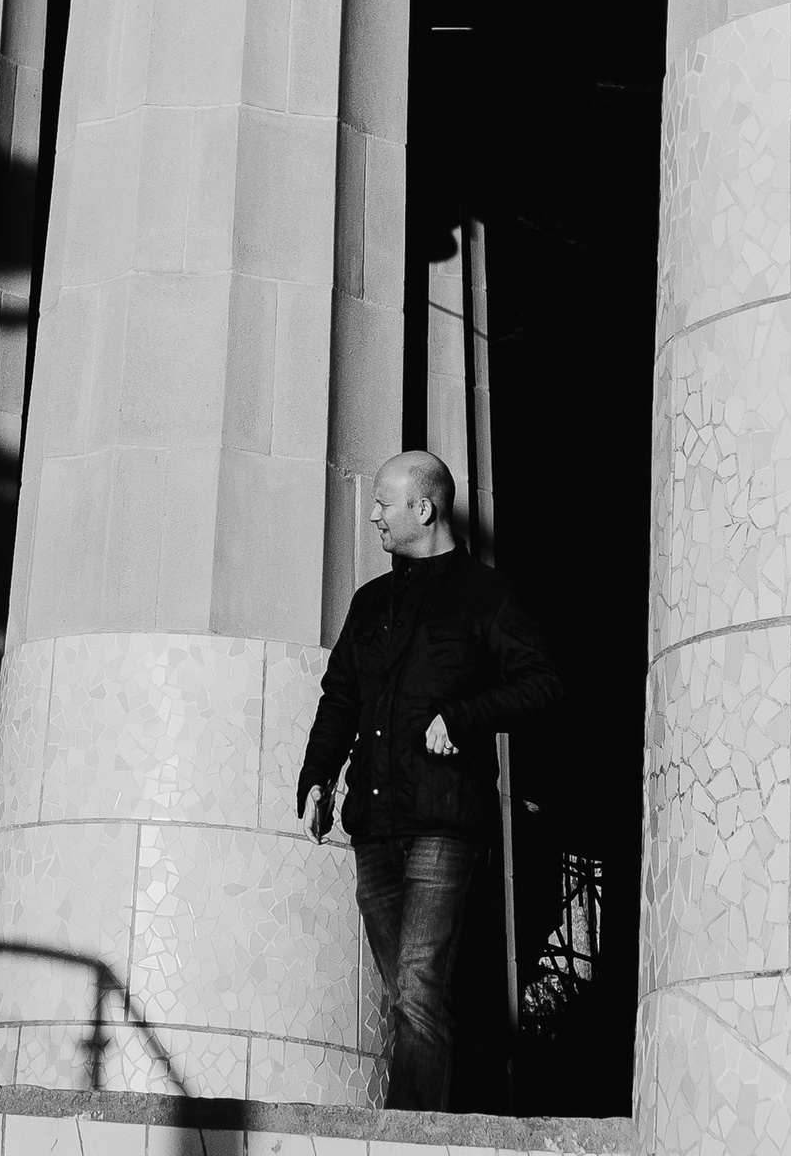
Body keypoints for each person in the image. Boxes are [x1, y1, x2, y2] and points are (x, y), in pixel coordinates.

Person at [295, 450, 563, 1111]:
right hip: (375, 827)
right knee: (414, 997)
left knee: (416, 989)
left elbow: (544, 683)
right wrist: (317, 775)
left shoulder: (485, 595)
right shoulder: (371, 602)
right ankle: (460, 1106)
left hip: (444, 824)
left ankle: (407, 1136)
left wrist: (466, 716)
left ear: (424, 508)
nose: (375, 515)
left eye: (385, 502)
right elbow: (340, 698)